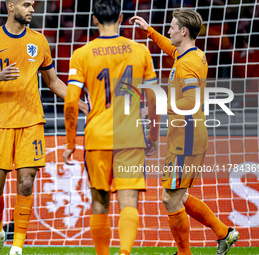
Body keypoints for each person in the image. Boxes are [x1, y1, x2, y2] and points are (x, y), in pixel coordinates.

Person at [0, 0, 88, 254]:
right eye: (26, 4)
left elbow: (54, 81)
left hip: (31, 121)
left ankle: (17, 247)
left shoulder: (40, 40)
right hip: (1, 122)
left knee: (26, 183)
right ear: (10, 6)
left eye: (33, 5)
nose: (32, 9)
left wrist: (80, 104)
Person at [130, 9, 239, 255]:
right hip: (185, 136)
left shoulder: (188, 63)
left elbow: (190, 102)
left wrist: (155, 107)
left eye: (171, 27)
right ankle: (224, 232)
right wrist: (149, 30)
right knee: (177, 196)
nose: (168, 31)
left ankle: (185, 252)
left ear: (183, 31)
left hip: (188, 139)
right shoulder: (190, 53)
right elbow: (169, 47)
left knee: (170, 199)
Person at [63, 1, 159, 255]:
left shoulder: (82, 53)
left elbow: (72, 100)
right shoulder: (140, 51)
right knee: (128, 202)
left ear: (94, 19)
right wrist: (152, 134)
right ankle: (124, 252)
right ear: (121, 18)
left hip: (97, 137)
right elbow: (153, 97)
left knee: (99, 202)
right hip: (130, 136)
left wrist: (70, 142)